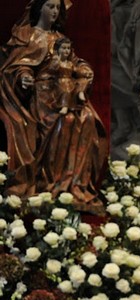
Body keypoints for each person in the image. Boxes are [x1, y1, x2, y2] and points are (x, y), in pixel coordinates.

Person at [0, 0, 108, 213]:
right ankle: (49, 184)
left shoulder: (60, 39)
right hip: (40, 98)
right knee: (63, 121)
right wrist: (24, 77)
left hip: (64, 94)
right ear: (39, 8)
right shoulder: (26, 35)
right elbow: (15, 66)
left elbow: (75, 62)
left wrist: (84, 70)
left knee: (86, 118)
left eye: (58, 8)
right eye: (50, 6)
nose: (55, 11)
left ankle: (73, 184)